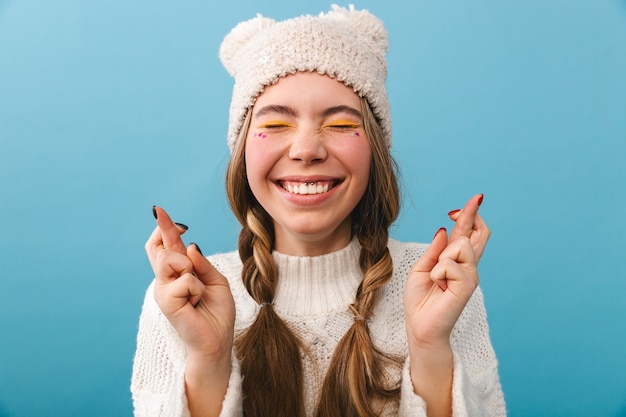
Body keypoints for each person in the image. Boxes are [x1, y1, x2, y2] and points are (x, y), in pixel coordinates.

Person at [131, 5, 506, 417]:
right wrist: (209, 358)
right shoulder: (183, 299)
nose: (306, 149)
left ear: (374, 151)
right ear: (242, 152)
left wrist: (430, 348)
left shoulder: (443, 288)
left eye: (342, 125)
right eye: (275, 125)